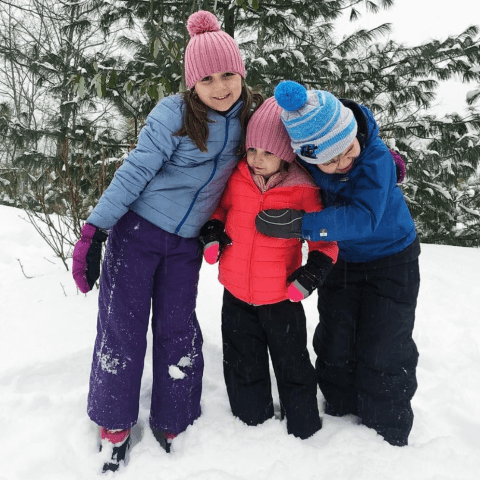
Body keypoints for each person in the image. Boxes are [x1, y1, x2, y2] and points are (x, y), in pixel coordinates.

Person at [71, 10, 263, 473]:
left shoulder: (251, 118)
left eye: (229, 74)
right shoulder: (173, 114)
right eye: (208, 78)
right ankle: (114, 424)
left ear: (241, 72)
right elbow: (134, 171)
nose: (221, 87)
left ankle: (173, 418)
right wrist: (95, 228)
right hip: (136, 234)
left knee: (179, 328)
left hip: (186, 246)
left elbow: (289, 142)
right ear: (192, 83)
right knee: (123, 326)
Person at [255, 81, 420, 447]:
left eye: (348, 150)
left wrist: (302, 226)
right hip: (341, 261)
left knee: (385, 343)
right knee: (336, 338)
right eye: (329, 161)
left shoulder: (374, 157)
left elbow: (364, 218)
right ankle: (340, 407)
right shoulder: (305, 156)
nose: (344, 162)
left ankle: (387, 427)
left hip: (392, 260)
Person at [198, 97, 339, 440]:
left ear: (286, 154)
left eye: (267, 152)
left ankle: (304, 425)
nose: (257, 160)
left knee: (292, 363)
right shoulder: (236, 178)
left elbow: (324, 240)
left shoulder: (303, 191)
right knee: (242, 361)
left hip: (281, 297)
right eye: (252, 151)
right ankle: (251, 421)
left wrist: (311, 272)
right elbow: (220, 210)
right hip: (235, 293)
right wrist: (213, 232)